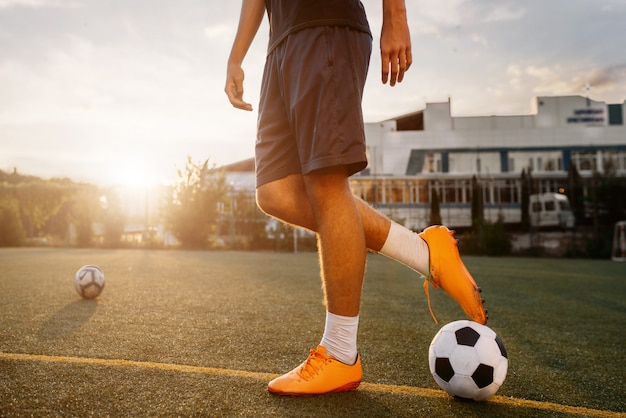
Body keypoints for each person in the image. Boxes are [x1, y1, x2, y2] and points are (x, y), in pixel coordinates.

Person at [225, 0, 487, 396]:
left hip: (325, 24)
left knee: (326, 185)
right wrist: (236, 56)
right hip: (280, 43)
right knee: (275, 192)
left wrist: (395, 17)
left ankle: (341, 353)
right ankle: (425, 253)